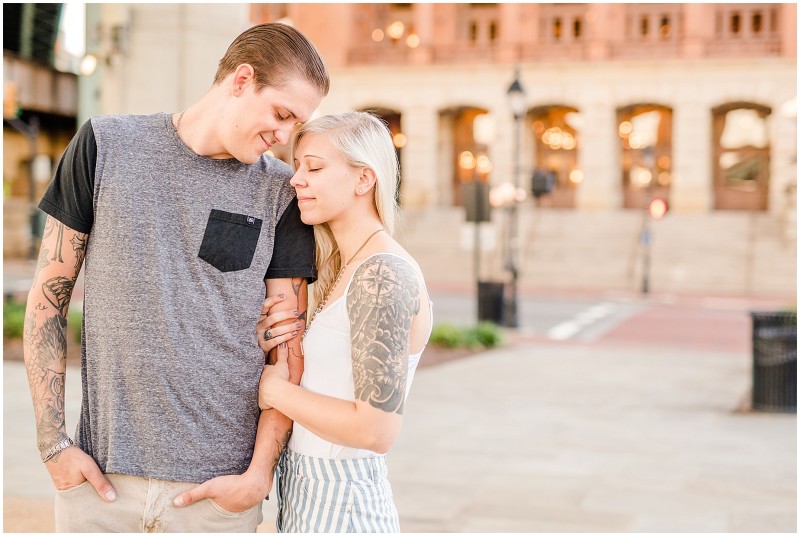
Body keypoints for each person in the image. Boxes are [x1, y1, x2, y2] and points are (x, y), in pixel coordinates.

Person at [22, 23, 328, 532]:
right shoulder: (103, 146)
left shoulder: (283, 194)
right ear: (240, 80)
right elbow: (47, 301)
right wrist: (53, 444)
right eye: (281, 113)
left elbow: (286, 349)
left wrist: (257, 477)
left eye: (297, 123)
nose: (285, 136)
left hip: (218, 497)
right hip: (100, 486)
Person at [255, 111, 433, 532]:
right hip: (305, 496)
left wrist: (273, 389)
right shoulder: (343, 266)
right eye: (298, 166)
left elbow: (375, 429)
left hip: (344, 508)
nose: (296, 179)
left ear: (363, 179)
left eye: (314, 167)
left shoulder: (382, 274)